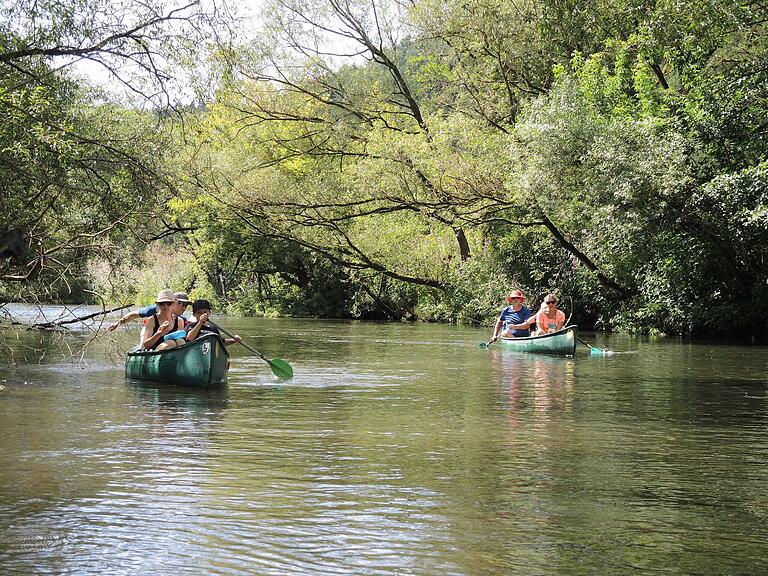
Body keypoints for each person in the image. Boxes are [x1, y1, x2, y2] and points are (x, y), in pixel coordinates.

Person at [107, 291, 192, 331]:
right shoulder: (157, 309)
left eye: (186, 305)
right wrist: (117, 324)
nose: (184, 307)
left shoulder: (182, 320)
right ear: (174, 302)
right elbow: (133, 315)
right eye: (181, 303)